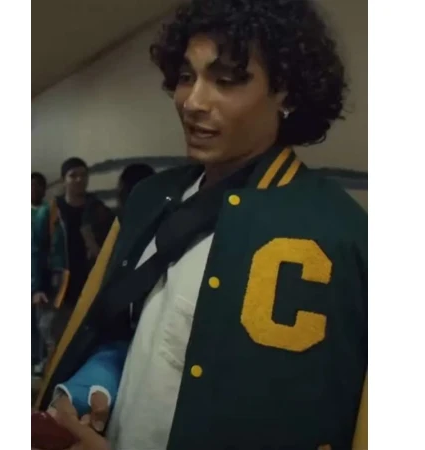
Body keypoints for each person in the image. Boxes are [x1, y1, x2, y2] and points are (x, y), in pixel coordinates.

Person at [35, 1, 368, 449]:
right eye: (186, 77)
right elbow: (132, 333)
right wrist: (93, 385)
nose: (192, 103)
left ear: (286, 93)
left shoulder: (341, 237)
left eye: (226, 80)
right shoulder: (150, 200)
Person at [32, 157, 114, 368]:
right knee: (54, 345)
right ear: (63, 180)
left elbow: (111, 246)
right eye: (73, 175)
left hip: (90, 284)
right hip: (58, 288)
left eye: (83, 175)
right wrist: (37, 287)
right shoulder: (49, 212)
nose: (79, 180)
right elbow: (37, 251)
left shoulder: (98, 210)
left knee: (87, 344)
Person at [32, 172, 47, 375]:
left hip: (40, 275)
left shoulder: (49, 212)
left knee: (39, 323)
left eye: (38, 185)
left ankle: (38, 360)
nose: (33, 189)